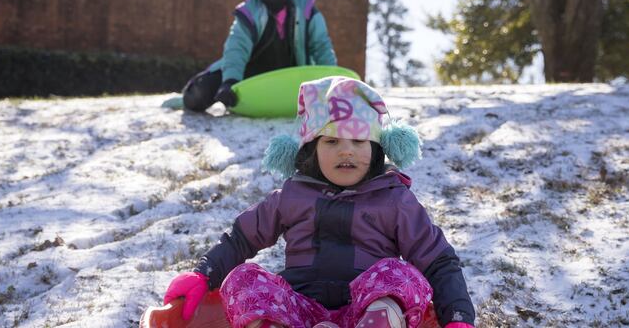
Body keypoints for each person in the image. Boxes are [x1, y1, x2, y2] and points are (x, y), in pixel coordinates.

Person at [162, 76, 476, 328]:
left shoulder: (394, 200)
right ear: (311, 150)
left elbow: (438, 261)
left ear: (377, 149)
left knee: (402, 275)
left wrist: (458, 317)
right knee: (243, 279)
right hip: (297, 313)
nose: (346, 151)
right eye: (331, 141)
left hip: (365, 312)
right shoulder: (292, 196)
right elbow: (241, 237)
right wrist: (204, 274)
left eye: (358, 141)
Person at [179, 0, 337, 111]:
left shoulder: (306, 10)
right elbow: (237, 48)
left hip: (290, 75)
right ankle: (188, 94)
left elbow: (321, 46)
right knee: (198, 94)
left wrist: (333, 80)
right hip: (251, 74)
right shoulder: (248, 11)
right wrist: (230, 81)